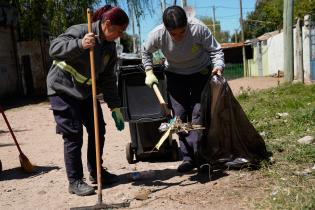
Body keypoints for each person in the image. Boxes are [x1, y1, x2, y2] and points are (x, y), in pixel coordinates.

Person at [46, 5, 129, 196]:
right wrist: (80, 44)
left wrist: (115, 106)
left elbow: (108, 79)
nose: (120, 35)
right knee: (73, 134)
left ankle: (97, 172)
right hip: (62, 89)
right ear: (107, 24)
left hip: (84, 92)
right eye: (118, 30)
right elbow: (54, 48)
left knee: (98, 129)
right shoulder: (82, 30)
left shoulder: (109, 48)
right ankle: (74, 181)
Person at [142, 6, 225, 173]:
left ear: (187, 24)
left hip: (200, 73)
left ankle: (201, 157)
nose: (179, 37)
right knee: (179, 117)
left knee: (198, 115)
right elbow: (145, 51)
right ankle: (187, 158)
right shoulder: (157, 34)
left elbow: (216, 50)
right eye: (174, 34)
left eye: (182, 32)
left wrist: (218, 66)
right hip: (174, 75)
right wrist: (149, 70)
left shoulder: (198, 29)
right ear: (166, 29)